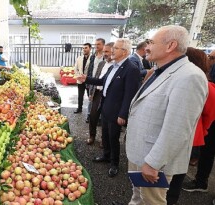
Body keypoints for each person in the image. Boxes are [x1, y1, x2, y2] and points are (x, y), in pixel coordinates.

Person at [125, 25, 208, 205]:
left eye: (151, 42)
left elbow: (178, 128)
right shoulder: (158, 71)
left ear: (170, 46)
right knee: (138, 197)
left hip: (154, 161)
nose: (146, 47)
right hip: (140, 153)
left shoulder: (190, 76)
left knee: (152, 201)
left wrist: (154, 163)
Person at [77, 38, 140, 177]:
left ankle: (114, 164)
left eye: (115, 48)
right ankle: (106, 155)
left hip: (116, 111)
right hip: (106, 107)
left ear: (124, 52)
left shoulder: (131, 69)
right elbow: (101, 81)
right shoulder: (113, 66)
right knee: (105, 134)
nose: (112, 50)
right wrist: (85, 78)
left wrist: (123, 114)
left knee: (113, 137)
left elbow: (130, 95)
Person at [166, 47, 215, 205]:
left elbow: (210, 115)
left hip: (188, 136)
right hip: (175, 134)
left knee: (176, 174)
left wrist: (201, 130)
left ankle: (170, 200)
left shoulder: (206, 86)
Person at [86, 42, 114, 145]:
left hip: (108, 95)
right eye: (104, 51)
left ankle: (103, 139)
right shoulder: (102, 63)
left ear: (113, 51)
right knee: (93, 116)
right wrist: (92, 92)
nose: (105, 54)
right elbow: (97, 78)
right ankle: (92, 136)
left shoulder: (115, 65)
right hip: (97, 92)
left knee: (105, 118)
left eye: (107, 51)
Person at [86, 38, 105, 123]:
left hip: (101, 81)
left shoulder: (105, 56)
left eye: (98, 44)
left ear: (103, 45)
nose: (96, 46)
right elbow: (90, 68)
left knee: (100, 100)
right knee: (91, 98)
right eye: (95, 44)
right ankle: (89, 115)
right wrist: (88, 80)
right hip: (92, 80)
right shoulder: (93, 56)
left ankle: (99, 117)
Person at [74, 43, 92, 114]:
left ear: (90, 48)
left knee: (90, 97)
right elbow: (76, 69)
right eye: (83, 48)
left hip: (89, 80)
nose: (84, 49)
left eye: (86, 48)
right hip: (80, 80)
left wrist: (88, 78)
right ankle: (79, 108)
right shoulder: (79, 58)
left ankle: (90, 112)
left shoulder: (93, 58)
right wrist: (79, 76)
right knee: (80, 95)